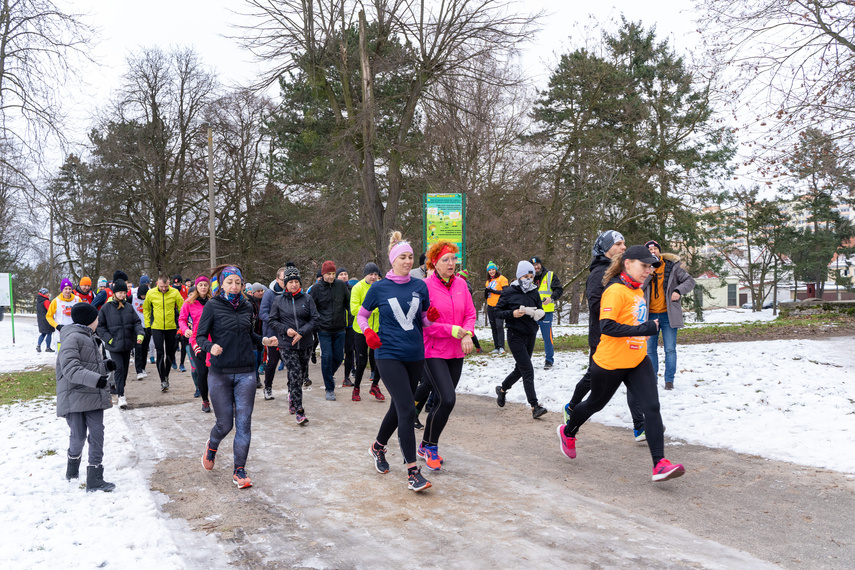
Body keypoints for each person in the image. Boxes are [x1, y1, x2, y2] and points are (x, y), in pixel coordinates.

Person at [557, 246, 685, 483]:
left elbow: (632, 319)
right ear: (628, 263)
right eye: (644, 266)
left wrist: (643, 330)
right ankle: (568, 431)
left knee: (652, 408)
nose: (648, 271)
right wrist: (644, 328)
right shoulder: (615, 290)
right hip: (610, 363)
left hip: (637, 360)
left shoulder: (636, 290)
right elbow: (607, 327)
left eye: (651, 267)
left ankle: (660, 464)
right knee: (595, 404)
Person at [359, 231, 438, 492]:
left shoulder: (420, 286)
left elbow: (424, 321)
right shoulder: (379, 288)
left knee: (399, 407)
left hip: (415, 355)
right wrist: (368, 332)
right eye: (403, 257)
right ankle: (413, 472)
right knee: (407, 409)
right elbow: (361, 316)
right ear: (393, 260)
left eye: (410, 257)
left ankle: (377, 447)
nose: (407, 261)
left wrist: (432, 317)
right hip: (388, 354)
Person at [196, 264, 277, 489]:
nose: (234, 286)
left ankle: (239, 470)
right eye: (230, 282)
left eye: (238, 282)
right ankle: (212, 447)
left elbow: (248, 333)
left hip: (245, 372)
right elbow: (200, 336)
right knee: (224, 425)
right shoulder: (212, 306)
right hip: (220, 373)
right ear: (222, 284)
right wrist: (210, 347)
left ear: (243, 285)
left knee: (243, 423)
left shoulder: (246, 305)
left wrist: (263, 340)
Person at [564, 230, 646, 441]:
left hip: (625, 337)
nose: (623, 247)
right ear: (606, 247)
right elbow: (595, 305)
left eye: (624, 243)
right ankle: (572, 407)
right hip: (603, 337)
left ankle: (641, 425)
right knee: (594, 379)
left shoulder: (618, 273)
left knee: (632, 377)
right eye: (618, 243)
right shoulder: (599, 272)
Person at [416, 241, 476, 471]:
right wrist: (452, 330)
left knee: (444, 402)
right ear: (434, 263)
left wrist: (467, 334)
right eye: (445, 260)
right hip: (433, 351)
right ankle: (431, 447)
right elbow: (425, 324)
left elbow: (470, 313)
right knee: (448, 399)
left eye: (453, 259)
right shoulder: (425, 287)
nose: (451, 263)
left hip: (456, 351)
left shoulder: (461, 284)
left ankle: (425, 444)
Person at [55, 302, 117, 492]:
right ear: (90, 321)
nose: (98, 321)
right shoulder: (72, 338)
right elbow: (70, 368)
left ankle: (95, 476)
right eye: (97, 318)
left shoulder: (89, 337)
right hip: (74, 396)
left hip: (92, 396)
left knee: (97, 433)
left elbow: (88, 364)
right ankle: (72, 467)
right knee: (78, 436)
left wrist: (105, 366)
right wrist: (97, 379)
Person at [494, 261, 548, 419]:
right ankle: (534, 406)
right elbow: (497, 311)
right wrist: (512, 313)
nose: (529, 279)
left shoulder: (534, 292)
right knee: (527, 370)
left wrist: (539, 313)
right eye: (525, 276)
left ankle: (502, 389)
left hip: (530, 334)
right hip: (515, 335)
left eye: (531, 276)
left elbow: (540, 309)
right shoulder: (509, 291)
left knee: (520, 369)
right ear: (519, 276)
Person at [643, 240, 697, 390]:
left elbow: (690, 281)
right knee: (649, 350)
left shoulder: (672, 267)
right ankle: (651, 381)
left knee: (670, 349)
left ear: (659, 251)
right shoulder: (642, 268)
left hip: (668, 314)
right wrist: (649, 273)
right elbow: (637, 287)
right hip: (650, 316)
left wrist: (678, 291)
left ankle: (669, 381)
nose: (652, 251)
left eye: (655, 249)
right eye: (649, 250)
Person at [268, 265, 319, 424]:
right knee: (295, 373)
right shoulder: (278, 300)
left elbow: (315, 318)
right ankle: (299, 410)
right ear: (285, 284)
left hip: (305, 344)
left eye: (296, 281)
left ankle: (291, 394)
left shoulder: (307, 299)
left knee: (300, 375)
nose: (294, 284)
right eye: (291, 282)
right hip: (286, 344)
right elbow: (272, 320)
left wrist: (302, 332)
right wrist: (286, 330)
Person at [96, 279, 144, 409]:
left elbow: (136, 322)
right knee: (119, 368)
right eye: (120, 292)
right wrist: (109, 339)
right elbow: (100, 327)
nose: (123, 295)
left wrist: (140, 333)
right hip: (114, 345)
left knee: (125, 370)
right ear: (115, 293)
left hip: (127, 343)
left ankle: (121, 387)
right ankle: (121, 395)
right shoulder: (106, 308)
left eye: (124, 292)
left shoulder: (129, 307)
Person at [310, 260, 350, 401]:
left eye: (333, 274)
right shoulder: (316, 288)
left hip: (340, 328)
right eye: (329, 274)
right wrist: (314, 323)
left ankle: (328, 374)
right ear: (323, 274)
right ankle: (329, 388)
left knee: (338, 357)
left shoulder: (341, 286)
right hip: (324, 329)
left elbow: (348, 303)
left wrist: (351, 319)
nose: (331, 277)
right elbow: (311, 308)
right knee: (326, 357)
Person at [349, 262, 384, 402]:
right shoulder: (358, 287)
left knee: (379, 361)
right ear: (365, 275)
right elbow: (354, 309)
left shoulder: (381, 287)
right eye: (371, 274)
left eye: (376, 274)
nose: (373, 277)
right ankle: (356, 388)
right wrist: (371, 310)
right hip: (361, 330)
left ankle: (374, 386)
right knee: (362, 362)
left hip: (378, 329)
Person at [143, 274, 184, 392]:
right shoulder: (151, 293)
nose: (164, 289)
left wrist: (181, 325)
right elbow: (146, 309)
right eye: (162, 286)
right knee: (160, 352)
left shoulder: (175, 293)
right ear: (157, 283)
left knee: (170, 354)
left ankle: (166, 375)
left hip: (171, 327)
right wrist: (147, 325)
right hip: (156, 327)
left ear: (169, 284)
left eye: (166, 286)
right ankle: (163, 380)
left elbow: (183, 308)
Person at [179, 275, 213, 412]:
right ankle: (205, 400)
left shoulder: (214, 301)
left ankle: (218, 399)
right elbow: (181, 319)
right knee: (202, 371)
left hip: (213, 340)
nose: (203, 287)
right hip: (196, 341)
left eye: (205, 285)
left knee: (215, 372)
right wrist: (185, 329)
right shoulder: (189, 302)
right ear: (197, 287)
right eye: (201, 285)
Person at [259, 266, 290, 395]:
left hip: (289, 333)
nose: (287, 282)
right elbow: (262, 313)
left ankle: (291, 390)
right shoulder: (269, 294)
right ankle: (268, 387)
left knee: (291, 363)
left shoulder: (293, 293)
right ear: (277, 279)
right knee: (272, 362)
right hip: (273, 334)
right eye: (284, 280)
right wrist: (276, 322)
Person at [530, 257, 563, 369]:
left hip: (546, 312)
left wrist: (552, 298)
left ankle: (549, 360)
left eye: (538, 264)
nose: (536, 267)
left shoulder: (550, 275)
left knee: (547, 337)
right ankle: (526, 359)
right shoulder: (528, 277)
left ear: (541, 264)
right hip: (532, 312)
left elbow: (559, 289)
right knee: (529, 336)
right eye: (534, 265)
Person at [337, 267, 356, 388]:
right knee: (338, 353)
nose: (344, 276)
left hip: (350, 325)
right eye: (341, 274)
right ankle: (331, 373)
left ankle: (346, 377)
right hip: (337, 326)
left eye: (346, 274)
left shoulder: (353, 289)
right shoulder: (334, 289)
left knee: (349, 351)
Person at [484, 261, 508, 354]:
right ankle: (496, 347)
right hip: (490, 306)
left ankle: (501, 347)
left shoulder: (502, 278)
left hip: (500, 306)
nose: (491, 271)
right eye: (489, 270)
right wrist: (486, 293)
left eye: (493, 269)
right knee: (493, 327)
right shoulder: (488, 281)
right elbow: (487, 295)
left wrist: (493, 291)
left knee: (499, 326)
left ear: (496, 269)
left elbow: (505, 292)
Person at [131, 283, 151, 379]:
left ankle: (143, 367)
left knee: (145, 348)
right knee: (138, 348)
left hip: (147, 326)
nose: (143, 297)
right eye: (142, 295)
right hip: (136, 327)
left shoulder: (150, 299)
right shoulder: (133, 298)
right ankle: (138, 370)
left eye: (145, 295)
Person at [36, 288, 55, 353]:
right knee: (49, 333)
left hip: (41, 319)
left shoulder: (39, 300)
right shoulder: (46, 301)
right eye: (47, 293)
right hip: (47, 319)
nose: (48, 294)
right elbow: (50, 310)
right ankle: (48, 347)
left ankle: (38, 345)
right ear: (44, 294)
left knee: (43, 333)